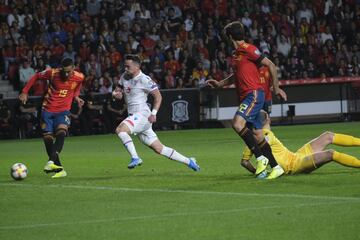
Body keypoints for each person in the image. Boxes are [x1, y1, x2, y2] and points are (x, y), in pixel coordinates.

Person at [206, 21, 287, 179]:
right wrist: (221, 83)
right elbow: (237, 75)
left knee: (237, 124)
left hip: (254, 94)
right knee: (257, 134)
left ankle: (260, 158)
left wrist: (276, 88)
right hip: (245, 96)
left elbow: (270, 65)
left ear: (229, 36)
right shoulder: (236, 54)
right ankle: (276, 167)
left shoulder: (249, 49)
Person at [112, 54, 200, 171]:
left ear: (137, 66)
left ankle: (135, 158)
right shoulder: (124, 76)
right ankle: (190, 161)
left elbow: (158, 97)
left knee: (120, 130)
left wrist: (154, 113)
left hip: (142, 115)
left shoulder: (145, 79)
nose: (125, 69)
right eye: (125, 66)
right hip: (134, 117)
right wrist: (115, 94)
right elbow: (118, 90)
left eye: (128, 66)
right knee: (159, 149)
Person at [19, 58, 85, 178]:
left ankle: (50, 162)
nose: (66, 74)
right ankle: (59, 170)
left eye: (69, 71)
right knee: (48, 139)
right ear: (61, 69)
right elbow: (36, 76)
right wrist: (25, 91)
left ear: (73, 68)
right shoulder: (52, 73)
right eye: (64, 71)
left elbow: (76, 88)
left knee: (61, 132)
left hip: (63, 111)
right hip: (47, 111)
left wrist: (76, 97)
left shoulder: (80, 77)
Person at [241, 110, 360, 176]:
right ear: (268, 120)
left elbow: (245, 162)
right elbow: (245, 161)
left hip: (296, 156)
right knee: (330, 153)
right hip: (295, 166)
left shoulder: (251, 139)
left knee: (327, 136)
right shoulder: (264, 135)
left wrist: (258, 171)